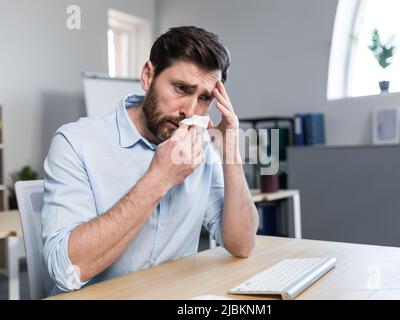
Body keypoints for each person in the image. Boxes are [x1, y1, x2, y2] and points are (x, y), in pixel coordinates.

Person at [41, 26, 259, 294]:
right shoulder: (75, 142)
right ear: (148, 75)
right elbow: (67, 269)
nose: (189, 111)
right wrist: (160, 178)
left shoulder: (199, 147)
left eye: (204, 98)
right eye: (181, 88)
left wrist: (230, 153)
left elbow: (242, 244)